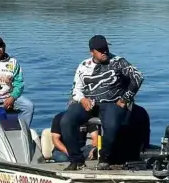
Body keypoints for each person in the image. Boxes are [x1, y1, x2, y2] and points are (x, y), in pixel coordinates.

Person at [60, 35, 145, 171]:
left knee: (111, 124)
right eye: (100, 50)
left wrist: (125, 99)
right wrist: (82, 99)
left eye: (105, 48)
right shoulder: (84, 66)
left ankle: (105, 159)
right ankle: (76, 160)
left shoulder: (118, 62)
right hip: (89, 102)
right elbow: (76, 89)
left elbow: (138, 77)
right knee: (66, 121)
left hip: (112, 102)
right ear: (92, 52)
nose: (104, 51)